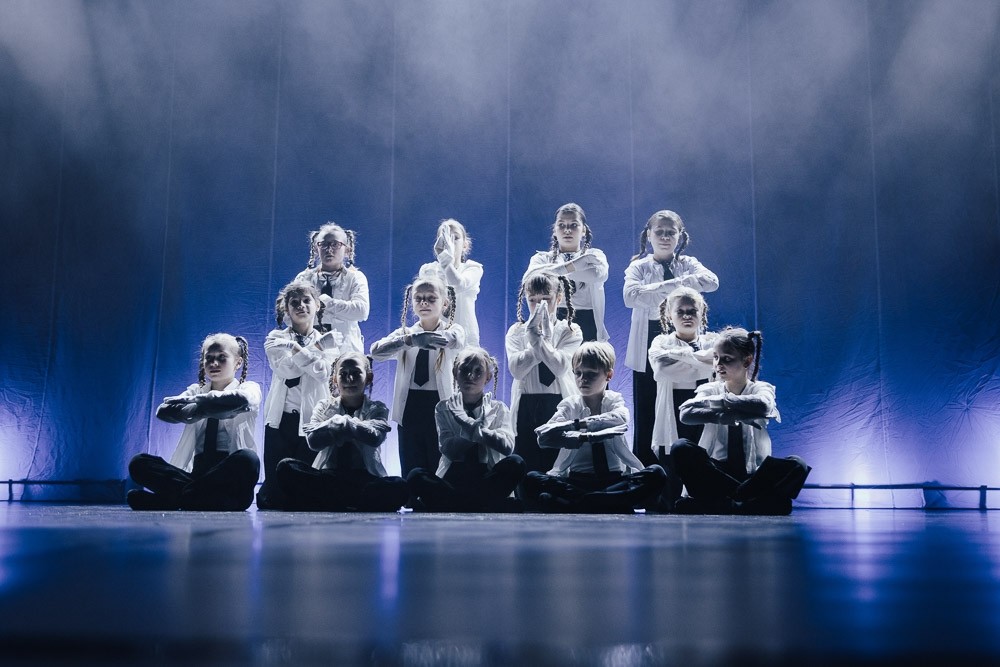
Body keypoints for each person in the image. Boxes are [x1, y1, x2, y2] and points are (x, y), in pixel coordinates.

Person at [672, 328, 811, 515]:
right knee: (681, 447)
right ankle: (744, 502)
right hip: (717, 473)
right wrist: (722, 417)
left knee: (798, 464)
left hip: (753, 476)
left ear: (746, 361)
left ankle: (727, 503)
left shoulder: (761, 388)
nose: (718, 364)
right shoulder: (709, 389)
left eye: (727, 359)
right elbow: (686, 413)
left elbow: (763, 406)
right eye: (715, 358)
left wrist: (723, 403)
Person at [523, 342, 666, 513]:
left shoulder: (614, 400)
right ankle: (603, 501)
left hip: (614, 480)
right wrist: (582, 435)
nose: (582, 379)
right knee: (531, 479)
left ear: (609, 375)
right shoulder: (570, 405)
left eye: (591, 374)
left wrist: (582, 425)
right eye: (578, 373)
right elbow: (545, 436)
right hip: (577, 482)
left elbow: (621, 418)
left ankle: (584, 502)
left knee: (656, 473)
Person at [624, 209, 719, 467]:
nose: (665, 237)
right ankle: (648, 471)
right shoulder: (639, 267)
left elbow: (711, 282)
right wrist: (680, 285)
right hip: (649, 336)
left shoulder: (688, 263)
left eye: (670, 232)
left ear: (680, 236)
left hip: (685, 335)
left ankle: (689, 466)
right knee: (647, 409)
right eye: (659, 232)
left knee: (688, 402)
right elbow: (631, 297)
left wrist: (656, 290)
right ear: (649, 235)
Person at [127, 333, 260, 511]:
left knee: (248, 459)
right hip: (197, 476)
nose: (214, 363)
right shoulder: (195, 390)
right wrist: (203, 409)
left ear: (238, 363)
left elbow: (242, 399)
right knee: (138, 463)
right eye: (209, 358)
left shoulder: (249, 387)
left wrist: (196, 403)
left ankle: (176, 498)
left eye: (222, 358)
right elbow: (163, 411)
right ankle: (194, 497)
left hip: (231, 480)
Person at [274, 351, 409, 511]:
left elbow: (375, 437)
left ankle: (333, 502)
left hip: (364, 479)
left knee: (400, 485)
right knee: (286, 466)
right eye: (343, 374)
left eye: (356, 373)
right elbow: (313, 442)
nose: (349, 379)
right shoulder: (323, 407)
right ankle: (348, 502)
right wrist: (337, 425)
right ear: (334, 379)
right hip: (329, 478)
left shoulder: (377, 408)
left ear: (369, 377)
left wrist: (344, 423)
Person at [370, 275, 466, 478]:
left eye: (431, 298)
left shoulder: (453, 329)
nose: (424, 303)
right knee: (410, 463)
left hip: (438, 403)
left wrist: (427, 338)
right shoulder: (405, 334)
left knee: (438, 463)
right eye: (419, 298)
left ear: (445, 303)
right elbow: (376, 352)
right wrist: (409, 341)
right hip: (410, 405)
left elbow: (455, 340)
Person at [257, 281, 342, 509]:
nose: (301, 306)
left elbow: (322, 373)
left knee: (304, 487)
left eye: (306, 301)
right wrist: (316, 349)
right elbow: (286, 370)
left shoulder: (330, 340)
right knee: (276, 493)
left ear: (317, 305)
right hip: (281, 419)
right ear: (286, 308)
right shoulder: (275, 337)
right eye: (294, 302)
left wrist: (294, 348)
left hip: (311, 419)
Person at [407, 347, 525, 511]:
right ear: (455, 373)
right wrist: (476, 427)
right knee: (416, 475)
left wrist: (465, 421)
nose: (470, 376)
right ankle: (482, 504)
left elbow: (507, 447)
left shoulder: (499, 408)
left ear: (488, 377)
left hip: (487, 475)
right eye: (464, 369)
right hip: (453, 478)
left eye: (478, 371)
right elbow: (449, 450)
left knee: (516, 463)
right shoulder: (443, 407)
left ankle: (457, 504)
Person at [505, 272, 583, 476]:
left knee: (556, 464)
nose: (539, 306)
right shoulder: (516, 331)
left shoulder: (570, 330)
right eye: (533, 300)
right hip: (527, 403)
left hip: (558, 402)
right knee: (526, 462)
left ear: (558, 298)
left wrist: (541, 340)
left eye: (546, 299)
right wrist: (536, 342)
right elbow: (516, 370)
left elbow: (560, 367)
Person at [647, 287, 718, 510]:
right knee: (673, 460)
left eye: (692, 311)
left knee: (703, 454)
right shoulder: (660, 342)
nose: (687, 316)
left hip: (705, 405)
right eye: (680, 311)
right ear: (670, 315)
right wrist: (699, 362)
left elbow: (715, 365)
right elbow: (662, 370)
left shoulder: (713, 342)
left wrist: (680, 359)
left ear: (701, 313)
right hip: (674, 404)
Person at [522, 203, 609, 342]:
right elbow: (529, 278)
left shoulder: (594, 255)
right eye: (561, 225)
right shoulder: (541, 258)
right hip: (552, 318)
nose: (567, 230)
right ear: (554, 231)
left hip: (588, 322)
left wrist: (554, 271)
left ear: (584, 230)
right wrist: (576, 266)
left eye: (574, 225)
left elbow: (598, 275)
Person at [292, 221, 370, 354]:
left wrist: (324, 302)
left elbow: (361, 311)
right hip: (311, 351)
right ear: (316, 248)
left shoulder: (355, 277)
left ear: (347, 249)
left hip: (345, 352)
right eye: (323, 244)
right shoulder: (303, 278)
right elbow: (289, 316)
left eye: (335, 244)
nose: (329, 249)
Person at [418, 218, 483, 347]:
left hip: (465, 339)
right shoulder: (428, 270)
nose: (450, 243)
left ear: (465, 245)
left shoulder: (473, 268)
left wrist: (445, 260)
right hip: (436, 337)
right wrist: (444, 258)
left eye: (455, 238)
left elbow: (457, 285)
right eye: (445, 238)